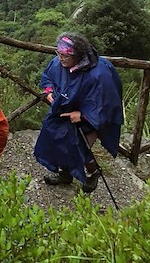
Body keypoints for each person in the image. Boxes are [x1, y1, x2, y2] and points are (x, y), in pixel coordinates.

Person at [34, 32, 123, 193]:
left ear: (78, 56)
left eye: (65, 56)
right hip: (63, 110)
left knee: (79, 147)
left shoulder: (100, 73)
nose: (61, 58)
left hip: (90, 118)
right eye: (59, 54)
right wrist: (48, 92)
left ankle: (93, 172)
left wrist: (82, 115)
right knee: (56, 139)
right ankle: (65, 174)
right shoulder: (58, 63)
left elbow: (107, 102)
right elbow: (48, 77)